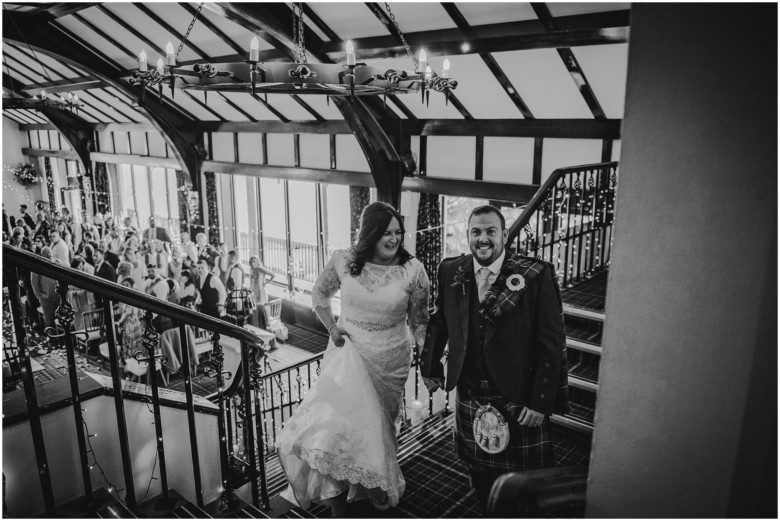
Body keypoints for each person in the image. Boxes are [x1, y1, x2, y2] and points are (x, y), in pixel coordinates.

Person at [276, 202, 430, 515]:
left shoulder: (413, 269)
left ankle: (372, 480)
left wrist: (424, 356)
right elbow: (319, 296)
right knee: (337, 427)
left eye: (398, 233)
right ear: (370, 233)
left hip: (391, 359)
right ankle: (337, 492)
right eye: (386, 233)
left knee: (380, 428)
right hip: (349, 353)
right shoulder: (344, 261)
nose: (393, 239)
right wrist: (331, 326)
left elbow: (420, 318)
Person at [420, 205, 570, 513]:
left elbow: (551, 344)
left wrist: (540, 402)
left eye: (491, 231)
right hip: (471, 391)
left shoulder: (535, 275)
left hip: (518, 394)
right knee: (479, 471)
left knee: (525, 484)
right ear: (468, 236)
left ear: (504, 235)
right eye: (476, 232)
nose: (483, 239)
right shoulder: (451, 269)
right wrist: (430, 366)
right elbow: (440, 322)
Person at [30, 247, 61, 330]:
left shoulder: (55, 262)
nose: (49, 255)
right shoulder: (37, 266)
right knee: (48, 317)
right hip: (46, 296)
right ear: (42, 254)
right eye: (47, 253)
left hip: (57, 295)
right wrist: (40, 295)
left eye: (50, 253)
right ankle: (50, 336)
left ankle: (61, 336)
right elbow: (34, 282)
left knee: (60, 315)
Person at [248, 255, 275, 329]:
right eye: (251, 262)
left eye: (254, 261)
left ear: (257, 262)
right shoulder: (252, 270)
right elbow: (252, 283)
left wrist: (266, 283)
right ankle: (258, 326)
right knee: (256, 309)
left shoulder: (260, 269)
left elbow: (273, 275)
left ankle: (265, 325)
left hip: (261, 292)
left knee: (263, 309)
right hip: (255, 292)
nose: (252, 263)